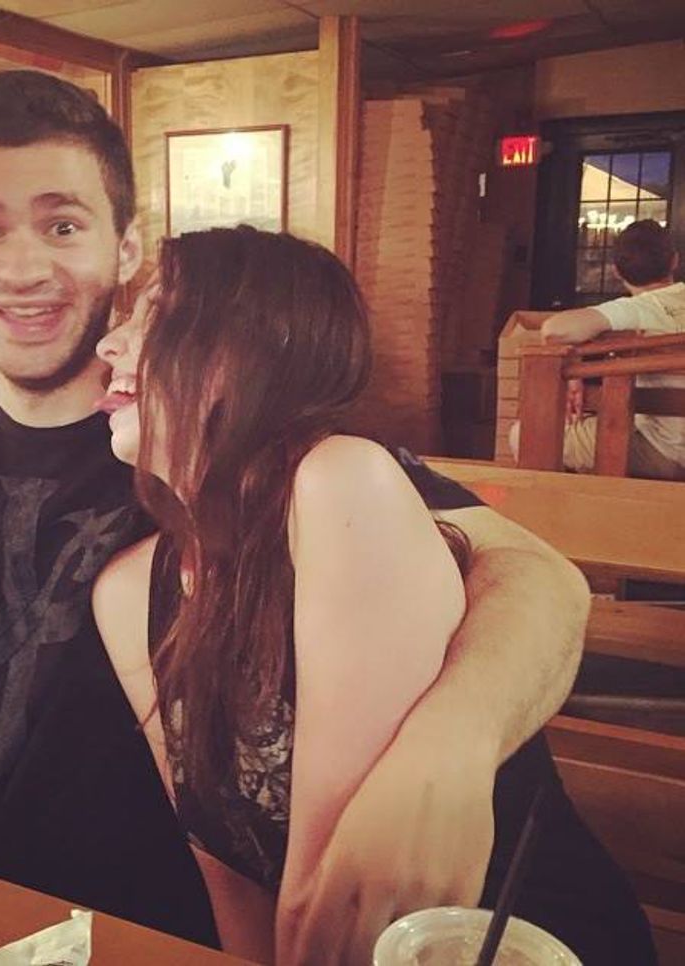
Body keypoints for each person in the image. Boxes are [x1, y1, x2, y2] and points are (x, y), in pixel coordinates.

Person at [0, 69, 591, 950]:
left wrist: (453, 741)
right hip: (2, 913)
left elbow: (537, 577)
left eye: (63, 225)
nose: (24, 267)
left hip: (173, 922)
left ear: (124, 248)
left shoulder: (286, 465)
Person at [93, 225, 655, 965]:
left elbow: (336, 899)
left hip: (514, 942)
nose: (109, 344)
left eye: (157, 314)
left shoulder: (341, 485)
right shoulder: (128, 592)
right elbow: (231, 880)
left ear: (257, 348)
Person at [511, 219, 685, 480]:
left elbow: (555, 329)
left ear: (616, 272)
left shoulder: (636, 309)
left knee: (526, 434)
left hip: (663, 452)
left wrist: (575, 367)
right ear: (674, 261)